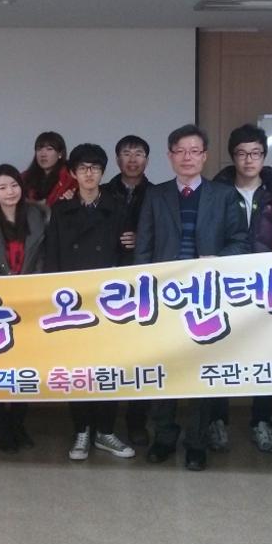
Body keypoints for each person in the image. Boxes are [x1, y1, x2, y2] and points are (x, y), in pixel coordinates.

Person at [135, 124, 249, 471]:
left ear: (205, 156)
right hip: (164, 296)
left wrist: (217, 261)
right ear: (170, 156)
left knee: (203, 371)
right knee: (164, 368)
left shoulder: (224, 195)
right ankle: (164, 436)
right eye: (180, 151)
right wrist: (146, 292)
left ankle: (197, 442)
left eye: (194, 151)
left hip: (207, 296)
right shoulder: (155, 195)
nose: (187, 157)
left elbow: (240, 242)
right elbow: (144, 247)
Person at [43, 143, 136, 462]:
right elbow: (52, 255)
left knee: (108, 366)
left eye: (95, 168)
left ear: (103, 172)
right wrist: (55, 296)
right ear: (73, 172)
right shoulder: (61, 209)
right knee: (78, 367)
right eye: (83, 168)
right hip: (73, 303)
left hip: (109, 301)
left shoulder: (118, 206)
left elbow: (127, 253)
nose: (89, 174)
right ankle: (82, 429)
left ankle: (105, 431)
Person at [212, 123, 272, 453]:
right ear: (233, 157)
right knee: (219, 350)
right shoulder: (216, 192)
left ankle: (262, 421)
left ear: (264, 156)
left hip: (268, 282)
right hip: (226, 282)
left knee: (264, 353)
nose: (249, 160)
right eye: (242, 153)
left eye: (256, 153)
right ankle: (217, 420)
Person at [0, 165, 46, 453]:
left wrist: (29, 287)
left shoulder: (37, 216)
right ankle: (1, 425)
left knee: (25, 367)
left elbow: (41, 257)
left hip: (30, 302)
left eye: (14, 185)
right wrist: (8, 291)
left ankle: (18, 422)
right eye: (2, 187)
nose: (9, 192)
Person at [105, 134, 153, 446]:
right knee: (108, 357)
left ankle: (137, 422)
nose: (132, 159)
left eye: (138, 153)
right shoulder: (102, 192)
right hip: (107, 286)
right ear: (117, 159)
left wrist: (141, 240)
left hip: (143, 286)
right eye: (126, 153)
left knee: (142, 356)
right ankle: (104, 426)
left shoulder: (158, 193)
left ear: (147, 159)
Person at [22, 131, 77, 206]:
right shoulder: (24, 177)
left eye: (49, 149)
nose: (43, 154)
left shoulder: (71, 178)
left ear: (60, 154)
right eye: (39, 149)